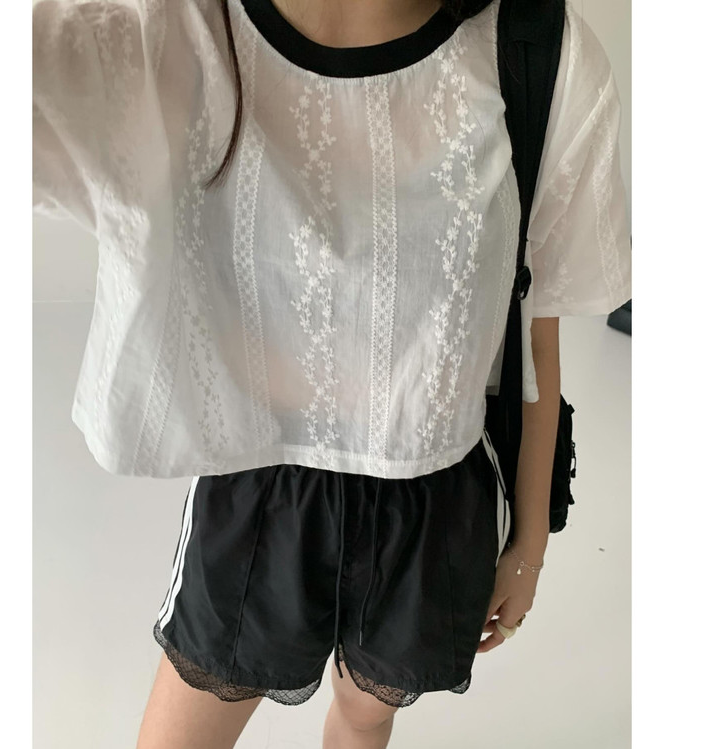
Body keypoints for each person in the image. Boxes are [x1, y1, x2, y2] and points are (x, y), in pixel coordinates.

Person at [32, 0, 632, 747]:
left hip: (434, 500)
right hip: (262, 487)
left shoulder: (535, 47)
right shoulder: (169, 30)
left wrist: (530, 542)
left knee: (364, 713)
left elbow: (536, 321)